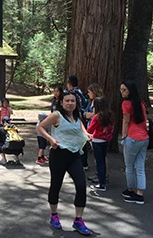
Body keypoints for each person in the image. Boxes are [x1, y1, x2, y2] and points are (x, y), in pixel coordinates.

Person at [36, 91, 93, 236]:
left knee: (81, 185)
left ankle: (78, 220)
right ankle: (54, 215)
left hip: (74, 156)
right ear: (61, 102)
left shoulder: (76, 116)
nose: (70, 103)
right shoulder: (56, 115)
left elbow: (82, 131)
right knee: (56, 185)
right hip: (58, 155)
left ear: (76, 102)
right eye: (67, 100)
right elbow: (40, 127)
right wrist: (51, 139)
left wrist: (88, 136)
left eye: (72, 101)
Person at [120, 81, 149, 204]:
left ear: (130, 91)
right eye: (121, 90)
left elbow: (126, 121)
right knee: (140, 167)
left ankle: (131, 189)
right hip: (144, 138)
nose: (122, 92)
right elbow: (145, 119)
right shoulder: (141, 103)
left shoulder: (126, 104)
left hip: (132, 137)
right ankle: (140, 194)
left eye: (124, 90)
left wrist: (123, 136)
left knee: (129, 166)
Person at [86, 97, 113, 192]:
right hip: (106, 140)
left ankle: (101, 184)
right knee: (103, 160)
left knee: (99, 162)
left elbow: (90, 130)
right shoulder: (110, 115)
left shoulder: (97, 117)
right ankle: (104, 178)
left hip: (97, 141)